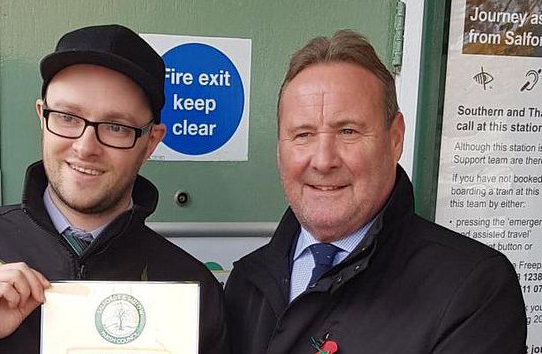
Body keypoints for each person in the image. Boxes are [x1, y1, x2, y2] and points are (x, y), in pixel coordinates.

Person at [0, 24, 229, 354]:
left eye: (116, 127)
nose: (85, 146)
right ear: (41, 116)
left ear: (151, 142)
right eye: (67, 117)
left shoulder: (192, 288)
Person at [224, 30, 526, 353]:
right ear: (280, 148)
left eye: (348, 131)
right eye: (303, 134)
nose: (324, 160)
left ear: (395, 139)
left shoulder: (473, 291)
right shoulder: (246, 283)